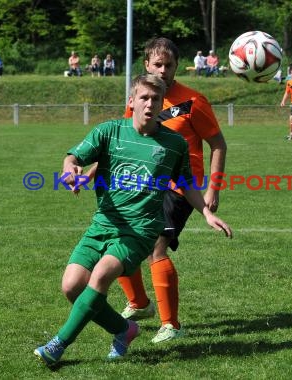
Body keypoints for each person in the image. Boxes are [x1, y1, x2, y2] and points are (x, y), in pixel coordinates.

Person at [33, 74, 232, 367]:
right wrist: (70, 171)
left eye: (155, 99)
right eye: (144, 98)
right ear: (131, 101)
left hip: (140, 230)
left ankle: (57, 345)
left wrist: (206, 212)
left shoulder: (173, 143)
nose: (150, 104)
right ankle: (124, 330)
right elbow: (73, 158)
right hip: (103, 224)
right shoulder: (109, 131)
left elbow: (187, 183)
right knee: (72, 287)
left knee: (100, 276)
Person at [116, 37, 227, 344]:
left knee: (155, 248)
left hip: (180, 187)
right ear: (147, 66)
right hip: (143, 183)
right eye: (158, 64)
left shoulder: (193, 101)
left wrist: (213, 191)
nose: (164, 70)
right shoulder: (139, 98)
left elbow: (218, 144)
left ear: (177, 66)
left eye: (170, 65)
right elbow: (124, 138)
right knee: (121, 241)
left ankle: (171, 324)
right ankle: (139, 304)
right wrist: (93, 172)